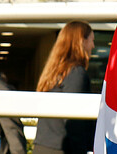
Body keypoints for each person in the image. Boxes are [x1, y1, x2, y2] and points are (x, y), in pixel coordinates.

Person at [33, 21, 96, 154]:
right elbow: (74, 121)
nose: (93, 46)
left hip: (43, 146)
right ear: (82, 41)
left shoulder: (52, 73)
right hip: (62, 149)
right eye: (91, 40)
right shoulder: (76, 73)